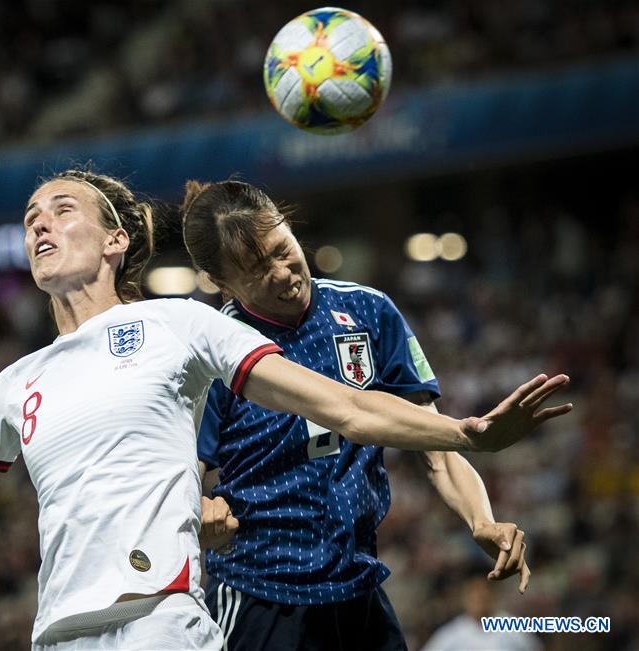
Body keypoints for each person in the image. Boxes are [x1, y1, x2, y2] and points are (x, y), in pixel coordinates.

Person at [0, 170, 570, 651]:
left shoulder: (182, 326)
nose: (39, 224)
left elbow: (348, 407)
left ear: (117, 240)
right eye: (29, 217)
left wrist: (468, 437)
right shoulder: (15, 381)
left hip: (173, 619)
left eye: (62, 209)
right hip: (64, 632)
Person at [181, 179, 555, 651]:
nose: (281, 273)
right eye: (256, 269)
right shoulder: (211, 353)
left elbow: (435, 448)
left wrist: (480, 518)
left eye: (282, 249)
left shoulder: (368, 311)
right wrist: (200, 511)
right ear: (218, 283)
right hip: (262, 598)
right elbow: (182, 480)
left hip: (359, 591)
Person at [421, 577, 542, 650]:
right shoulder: (452, 633)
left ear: (493, 597)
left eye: (483, 597)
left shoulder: (513, 626)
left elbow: (535, 648)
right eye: (474, 598)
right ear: (465, 600)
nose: (479, 603)